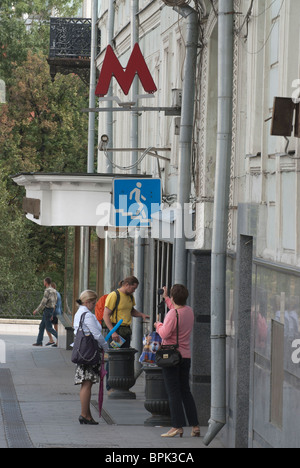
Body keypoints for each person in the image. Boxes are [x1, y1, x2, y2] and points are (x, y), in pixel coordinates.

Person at [154, 284, 200, 438]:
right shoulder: (189, 311)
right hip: (185, 356)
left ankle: (176, 426)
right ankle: (195, 425)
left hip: (171, 357)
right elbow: (176, 311)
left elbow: (165, 334)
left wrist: (158, 325)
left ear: (174, 298)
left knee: (173, 392)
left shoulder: (172, 314)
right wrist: (167, 298)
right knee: (185, 391)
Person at [103, 276, 149, 392]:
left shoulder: (130, 296)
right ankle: (110, 386)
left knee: (125, 357)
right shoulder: (114, 295)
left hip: (126, 330)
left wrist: (141, 315)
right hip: (116, 330)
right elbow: (106, 315)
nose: (134, 291)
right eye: (133, 288)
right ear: (127, 285)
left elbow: (131, 311)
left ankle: (122, 384)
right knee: (114, 358)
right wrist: (112, 331)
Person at [73, 290, 109, 425]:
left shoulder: (79, 313)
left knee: (85, 383)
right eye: (93, 303)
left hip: (82, 352)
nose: (94, 305)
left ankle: (87, 414)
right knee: (87, 384)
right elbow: (97, 335)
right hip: (89, 353)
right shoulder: (87, 315)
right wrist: (106, 348)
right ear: (87, 302)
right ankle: (84, 414)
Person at [32, 278, 58, 347]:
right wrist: (53, 312)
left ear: (46, 282)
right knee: (42, 326)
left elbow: (43, 302)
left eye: (44, 281)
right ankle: (39, 342)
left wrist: (37, 310)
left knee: (49, 327)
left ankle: (61, 338)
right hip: (51, 310)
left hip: (47, 310)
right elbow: (55, 302)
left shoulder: (47, 291)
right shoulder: (54, 290)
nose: (43, 282)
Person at [45, 282, 62, 347]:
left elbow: (54, 305)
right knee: (55, 327)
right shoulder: (58, 293)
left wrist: (51, 314)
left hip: (54, 313)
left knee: (48, 326)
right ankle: (55, 341)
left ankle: (53, 340)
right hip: (58, 312)